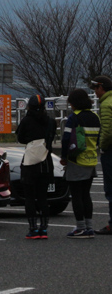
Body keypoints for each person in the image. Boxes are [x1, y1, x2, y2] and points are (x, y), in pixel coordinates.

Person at [60, 88, 100, 238]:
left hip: (76, 160)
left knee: (76, 195)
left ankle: (80, 227)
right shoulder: (95, 117)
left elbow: (65, 139)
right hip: (91, 159)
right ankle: (89, 227)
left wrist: (64, 156)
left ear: (74, 103)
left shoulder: (74, 118)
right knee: (86, 195)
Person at [15, 94, 56, 239]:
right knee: (43, 197)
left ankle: (33, 229)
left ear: (29, 107)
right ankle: (44, 229)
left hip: (30, 162)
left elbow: (20, 138)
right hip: (45, 162)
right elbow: (52, 138)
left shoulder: (26, 121)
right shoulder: (51, 121)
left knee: (30, 197)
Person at [92, 76, 112, 235]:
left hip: (110, 151)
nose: (94, 92)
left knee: (110, 188)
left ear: (101, 87)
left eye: (95, 88)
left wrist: (102, 147)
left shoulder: (106, 104)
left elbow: (107, 130)